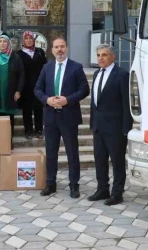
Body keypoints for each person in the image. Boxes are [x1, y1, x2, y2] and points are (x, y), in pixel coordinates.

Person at [34, 38, 90, 198]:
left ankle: (74, 185)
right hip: (50, 117)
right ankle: (51, 183)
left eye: (62, 47)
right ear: (52, 50)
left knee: (72, 152)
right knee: (51, 152)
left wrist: (68, 100)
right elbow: (37, 88)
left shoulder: (76, 67)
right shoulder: (46, 68)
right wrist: (47, 100)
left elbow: (84, 89)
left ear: (67, 48)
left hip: (69, 116)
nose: (60, 50)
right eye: (57, 47)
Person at [88, 44, 133, 206]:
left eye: (104, 55)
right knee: (100, 160)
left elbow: (126, 103)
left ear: (112, 57)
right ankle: (102, 189)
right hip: (99, 127)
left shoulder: (121, 75)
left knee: (117, 161)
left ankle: (117, 193)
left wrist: (126, 128)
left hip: (115, 128)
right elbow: (95, 102)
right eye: (98, 55)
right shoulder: (96, 74)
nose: (100, 58)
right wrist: (93, 122)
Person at [0, 35, 24, 149]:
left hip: (10, 92)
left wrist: (18, 90)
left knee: (9, 119)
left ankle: (8, 142)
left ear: (8, 43)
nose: (2, 43)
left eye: (5, 42)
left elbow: (21, 74)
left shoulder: (15, 57)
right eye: (0, 41)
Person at [18, 31, 47, 140]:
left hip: (39, 85)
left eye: (31, 39)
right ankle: (28, 130)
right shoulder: (19, 54)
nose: (29, 40)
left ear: (34, 40)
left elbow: (45, 68)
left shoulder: (40, 52)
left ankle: (39, 130)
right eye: (26, 39)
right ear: (23, 40)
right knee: (27, 109)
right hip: (25, 86)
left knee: (38, 108)